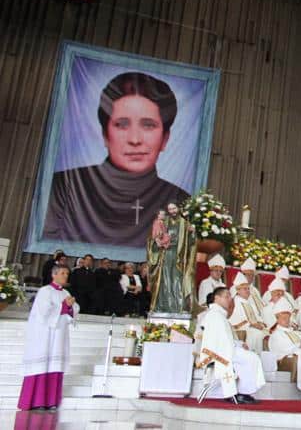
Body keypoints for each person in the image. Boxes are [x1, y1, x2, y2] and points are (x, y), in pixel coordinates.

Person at [43, 72, 190, 246]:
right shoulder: (64, 185)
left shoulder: (179, 199)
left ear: (165, 138)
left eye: (148, 125)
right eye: (122, 124)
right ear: (105, 134)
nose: (135, 139)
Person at [18, 265, 80, 411]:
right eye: (63, 273)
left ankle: (51, 401)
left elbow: (74, 308)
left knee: (55, 366)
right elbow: (43, 312)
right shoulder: (45, 291)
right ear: (54, 275)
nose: (66, 276)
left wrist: (70, 307)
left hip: (59, 336)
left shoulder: (66, 292)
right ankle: (36, 401)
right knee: (42, 365)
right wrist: (64, 306)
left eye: (67, 273)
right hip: (45, 336)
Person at [196, 286, 265, 404]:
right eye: (226, 297)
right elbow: (221, 342)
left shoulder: (219, 314)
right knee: (251, 358)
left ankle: (243, 392)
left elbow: (225, 339)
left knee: (250, 357)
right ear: (217, 298)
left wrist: (239, 344)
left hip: (223, 351)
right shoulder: (215, 315)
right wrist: (237, 346)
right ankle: (243, 393)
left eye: (230, 297)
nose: (229, 300)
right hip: (218, 354)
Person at [146, 201, 196, 314]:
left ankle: (178, 307)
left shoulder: (185, 223)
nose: (172, 211)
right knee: (164, 280)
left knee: (177, 280)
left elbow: (191, 243)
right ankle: (162, 306)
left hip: (179, 257)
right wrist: (157, 241)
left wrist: (192, 233)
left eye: (174, 208)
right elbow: (153, 237)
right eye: (170, 209)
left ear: (178, 208)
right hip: (165, 254)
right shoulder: (164, 221)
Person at [228, 273, 270, 353]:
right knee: (258, 334)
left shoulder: (249, 303)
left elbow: (257, 317)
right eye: (245, 289)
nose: (247, 291)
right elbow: (235, 321)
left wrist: (261, 323)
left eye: (248, 288)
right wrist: (252, 325)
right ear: (238, 290)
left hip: (253, 328)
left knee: (270, 333)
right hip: (244, 330)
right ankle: (255, 356)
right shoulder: (235, 302)